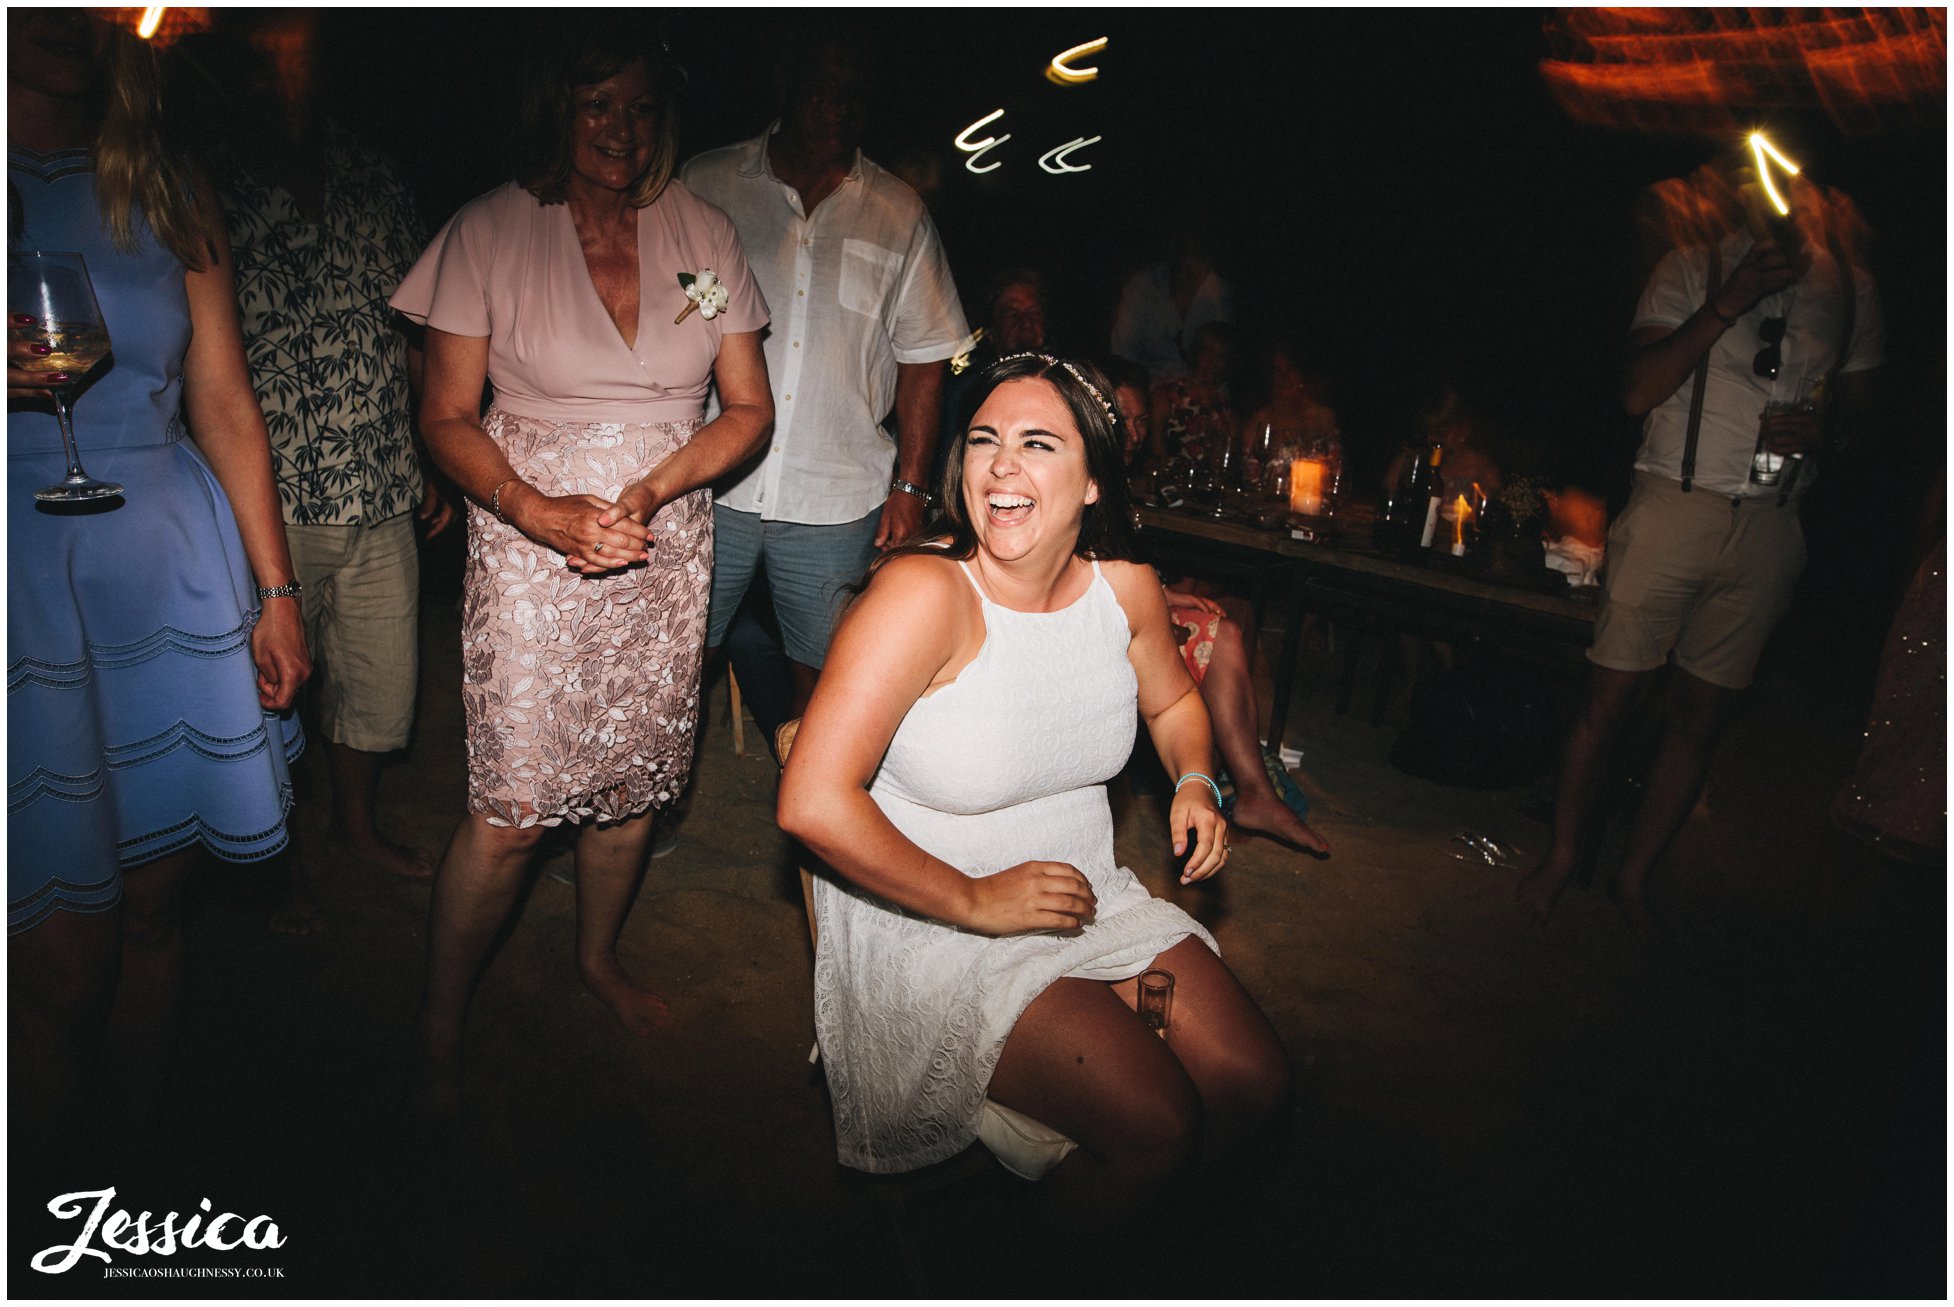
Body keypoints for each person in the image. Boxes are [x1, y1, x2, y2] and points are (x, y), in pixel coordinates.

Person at [778, 355, 1291, 1223]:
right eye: (983, 439)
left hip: (1081, 889)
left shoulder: (1123, 590)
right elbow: (811, 800)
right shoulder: (924, 594)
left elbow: (1172, 700)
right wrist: (974, 900)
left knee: (1255, 1085)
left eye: (1037, 443)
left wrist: (1196, 779)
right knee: (1157, 1126)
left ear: (1093, 481)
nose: (1001, 464)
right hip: (929, 916)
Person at [388, 16, 773, 1116]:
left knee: (631, 783)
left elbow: (748, 408)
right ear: (556, 110)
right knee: (511, 809)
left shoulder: (706, 236)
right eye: (596, 104)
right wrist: (535, 508)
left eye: (641, 106)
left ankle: (596, 957)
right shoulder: (491, 231)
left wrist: (654, 487)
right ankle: (440, 1018)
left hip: (662, 542)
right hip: (527, 544)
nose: (620, 128)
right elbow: (446, 415)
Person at [7, 8, 310, 1164]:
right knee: (62, 959)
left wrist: (278, 592)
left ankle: (124, 1177)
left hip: (169, 567)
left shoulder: (168, 188)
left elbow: (225, 401)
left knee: (154, 906)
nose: (62, 21)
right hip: (21, 580)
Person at [1517, 165, 1886, 929]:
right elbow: (1636, 391)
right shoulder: (1690, 268)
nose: (1793, 200)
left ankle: (1634, 875)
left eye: (1811, 187)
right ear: (1749, 194)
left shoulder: (1852, 291)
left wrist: (1827, 433)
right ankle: (1557, 859)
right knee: (1611, 697)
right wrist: (1728, 302)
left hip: (1772, 525)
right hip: (1670, 506)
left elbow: (1867, 426)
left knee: (1702, 715)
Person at [168, 16, 453, 904]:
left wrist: (430, 452)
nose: (285, 78)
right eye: (266, 60)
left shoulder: (373, 171)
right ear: (236, 70)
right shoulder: (198, 178)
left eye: (302, 58)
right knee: (269, 687)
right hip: (268, 498)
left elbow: (417, 329)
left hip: (380, 483)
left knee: (378, 682)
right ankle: (274, 847)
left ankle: (353, 823)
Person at [681, 22, 972, 718]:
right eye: (821, 88)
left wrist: (910, 484)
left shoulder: (898, 212)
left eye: (852, 92)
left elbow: (925, 363)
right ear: (785, 88)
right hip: (708, 483)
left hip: (839, 497)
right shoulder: (705, 183)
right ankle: (646, 814)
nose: (838, 105)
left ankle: (812, 809)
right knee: (682, 652)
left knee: (828, 671)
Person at [1107, 361, 1328, 854]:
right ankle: (1250, 788)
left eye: (1144, 421)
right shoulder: (1078, 470)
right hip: (1090, 618)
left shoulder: (1116, 476)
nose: (1136, 433)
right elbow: (1085, 568)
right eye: (1124, 418)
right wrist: (1158, 599)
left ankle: (1251, 788)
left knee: (1226, 621)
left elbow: (1104, 560)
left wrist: (1163, 592)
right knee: (1219, 632)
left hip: (1119, 600)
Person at [1110, 229, 1233, 386]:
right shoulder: (1142, 288)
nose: (1189, 269)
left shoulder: (1217, 294)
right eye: (1186, 257)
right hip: (1147, 389)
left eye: (1200, 259)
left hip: (1199, 394)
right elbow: (1122, 359)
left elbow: (1223, 362)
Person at [1144, 321, 1238, 489]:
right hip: (1169, 489)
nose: (1211, 363)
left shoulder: (1228, 411)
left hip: (1211, 493)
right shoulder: (1166, 397)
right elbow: (1155, 456)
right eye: (1206, 352)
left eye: (1220, 357)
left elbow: (1231, 466)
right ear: (1196, 354)